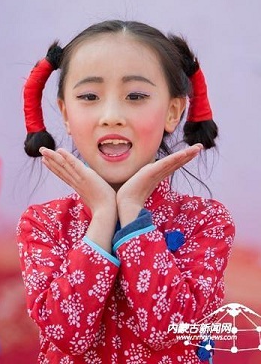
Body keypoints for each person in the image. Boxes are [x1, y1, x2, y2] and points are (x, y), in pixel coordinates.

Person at [17, 20, 235, 363]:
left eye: (135, 96)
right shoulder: (44, 224)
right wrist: (102, 217)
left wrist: (132, 213)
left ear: (173, 111)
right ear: (65, 115)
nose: (112, 116)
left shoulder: (205, 221)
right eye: (89, 97)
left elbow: (169, 329)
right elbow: (66, 336)